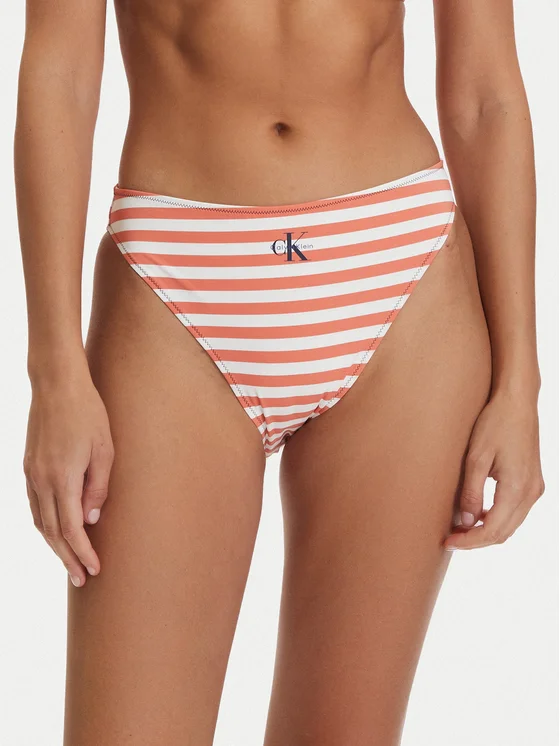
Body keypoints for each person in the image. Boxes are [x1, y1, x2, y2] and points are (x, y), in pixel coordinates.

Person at [14, 0, 545, 744]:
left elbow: (486, 94)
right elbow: (60, 74)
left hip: (401, 281)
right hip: (176, 281)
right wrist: (54, 375)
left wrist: (521, 384)